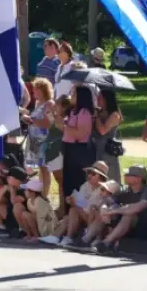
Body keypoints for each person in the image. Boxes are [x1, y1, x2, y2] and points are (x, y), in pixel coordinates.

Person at [60, 85, 94, 214]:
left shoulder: (84, 112)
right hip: (69, 149)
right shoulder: (73, 111)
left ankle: (78, 213)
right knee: (67, 182)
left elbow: (81, 134)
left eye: (74, 94)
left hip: (79, 150)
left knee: (77, 182)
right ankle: (68, 212)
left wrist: (65, 127)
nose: (71, 96)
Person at [22, 78, 54, 193]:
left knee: (45, 169)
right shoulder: (37, 103)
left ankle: (45, 193)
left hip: (44, 141)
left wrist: (31, 120)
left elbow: (48, 123)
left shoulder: (49, 104)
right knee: (41, 168)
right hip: (35, 140)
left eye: (36, 89)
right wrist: (28, 120)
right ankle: (41, 191)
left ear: (44, 90)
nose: (34, 91)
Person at [94, 88, 123, 182]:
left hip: (107, 151)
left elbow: (103, 130)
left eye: (100, 97)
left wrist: (97, 117)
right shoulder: (100, 112)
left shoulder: (115, 115)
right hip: (96, 149)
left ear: (107, 99)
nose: (97, 99)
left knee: (110, 178)